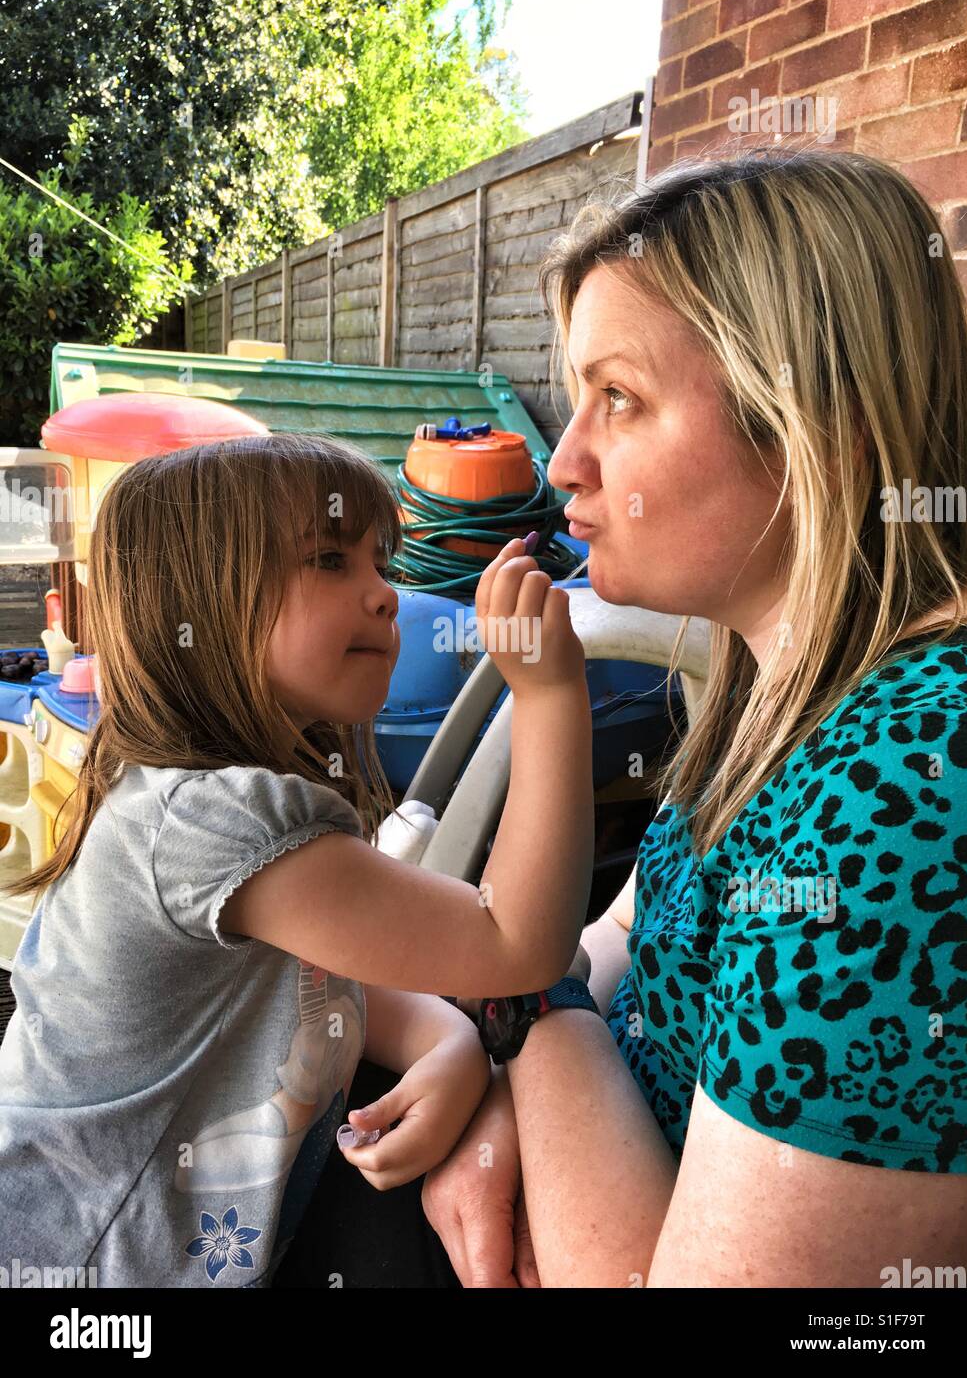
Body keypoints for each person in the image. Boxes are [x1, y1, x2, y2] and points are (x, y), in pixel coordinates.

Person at [419, 145, 967, 1287]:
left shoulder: (913, 790)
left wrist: (518, 1003)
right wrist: (491, 1075)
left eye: (617, 398)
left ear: (820, 427)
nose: (562, 460)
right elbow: (627, 932)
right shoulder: (775, 677)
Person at [0, 432, 593, 1287]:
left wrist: (448, 1040)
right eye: (329, 560)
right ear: (198, 605)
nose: (384, 596)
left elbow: (328, 971)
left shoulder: (182, 796)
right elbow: (517, 945)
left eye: (379, 563)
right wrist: (546, 692)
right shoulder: (219, 821)